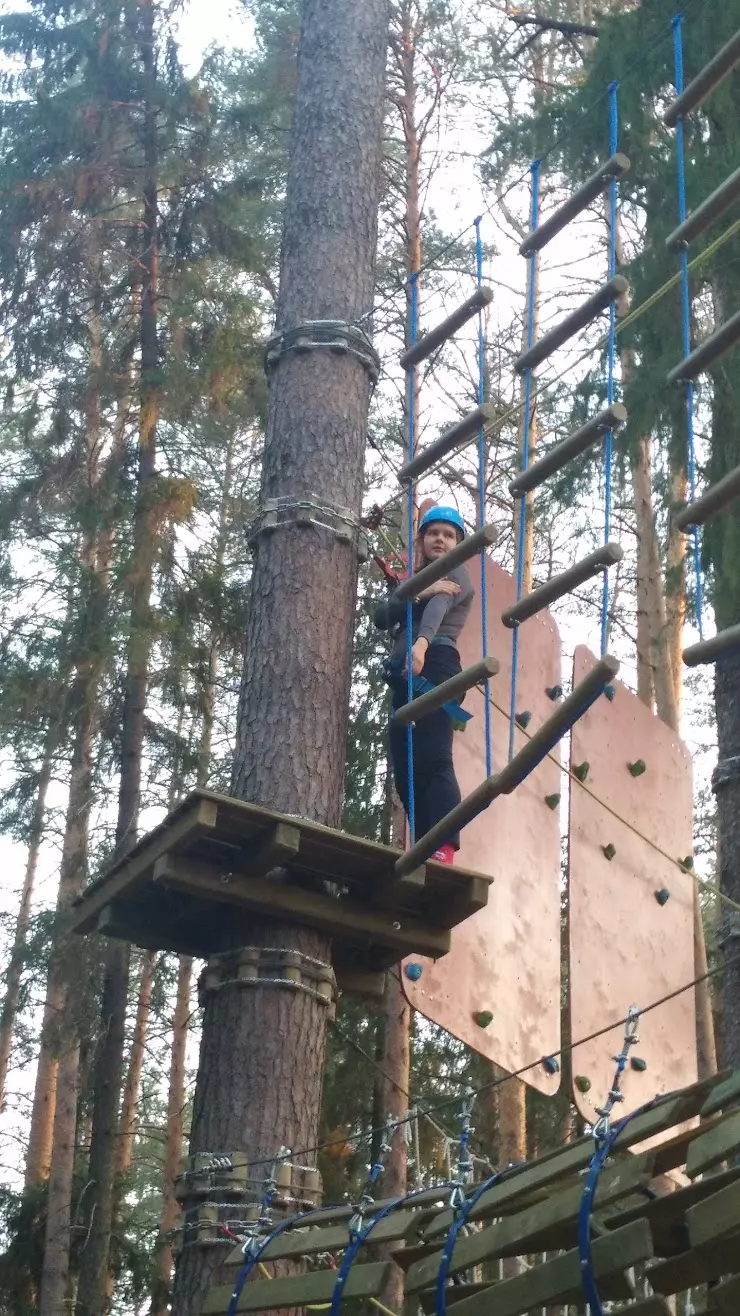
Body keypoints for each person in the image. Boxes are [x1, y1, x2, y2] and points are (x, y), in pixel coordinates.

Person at [374, 505, 474, 865]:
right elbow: (382, 616)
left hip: (437, 664)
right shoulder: (419, 582)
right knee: (405, 768)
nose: (441, 540)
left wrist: (420, 644)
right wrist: (418, 591)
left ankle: (444, 845)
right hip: (404, 676)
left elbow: (439, 607)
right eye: (434, 533)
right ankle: (423, 844)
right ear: (422, 539)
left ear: (458, 543)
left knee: (433, 757)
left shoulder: (457, 573)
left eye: (449, 535)